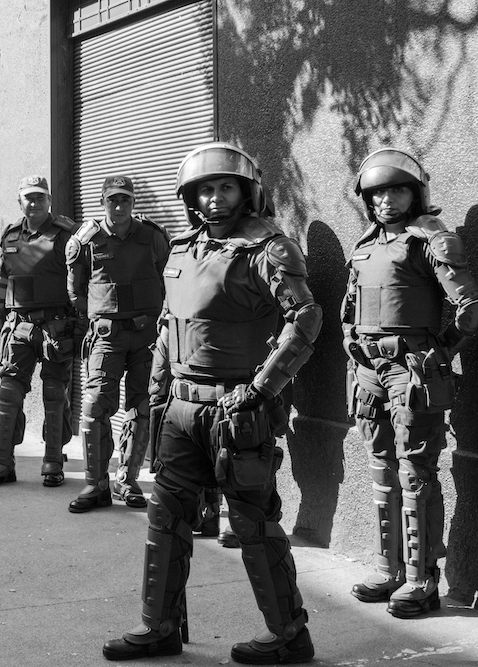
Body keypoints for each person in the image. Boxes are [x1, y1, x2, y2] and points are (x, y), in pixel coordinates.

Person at [102, 142, 322, 664]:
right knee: (165, 516)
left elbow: (306, 320)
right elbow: (168, 327)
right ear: (191, 198)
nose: (215, 198)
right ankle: (159, 627)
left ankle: (290, 635)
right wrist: (155, 396)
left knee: (252, 524)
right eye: (205, 189)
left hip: (236, 412)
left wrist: (262, 389)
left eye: (226, 187)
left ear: (247, 193)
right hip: (180, 410)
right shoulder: (181, 249)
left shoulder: (269, 249)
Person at [342, 149, 478, 618]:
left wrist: (439, 352)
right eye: (377, 192)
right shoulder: (366, 244)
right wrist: (352, 347)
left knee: (415, 473)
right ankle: (388, 570)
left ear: (416, 194)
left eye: (397, 190)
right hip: (368, 370)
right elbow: (349, 308)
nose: (386, 200)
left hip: (412, 370)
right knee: (381, 470)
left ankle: (421, 581)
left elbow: (472, 308)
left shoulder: (430, 239)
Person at [65, 176, 171, 513]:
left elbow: (170, 280)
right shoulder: (87, 240)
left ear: (133, 203)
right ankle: (96, 484)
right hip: (106, 338)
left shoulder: (152, 237)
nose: (119, 206)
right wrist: (103, 315)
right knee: (95, 406)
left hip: (146, 337)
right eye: (113, 200)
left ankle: (127, 479)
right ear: (102, 202)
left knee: (142, 406)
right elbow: (75, 292)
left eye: (125, 199)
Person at [0, 175, 80, 489]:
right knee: (8, 393)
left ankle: (53, 462)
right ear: (19, 202)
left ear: (49, 200)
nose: (34, 203)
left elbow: (81, 283)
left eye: (40, 197)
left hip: (56, 327)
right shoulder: (10, 236)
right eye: (28, 198)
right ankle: (2, 462)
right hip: (18, 326)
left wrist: (80, 326)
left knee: (54, 394)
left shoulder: (67, 234)